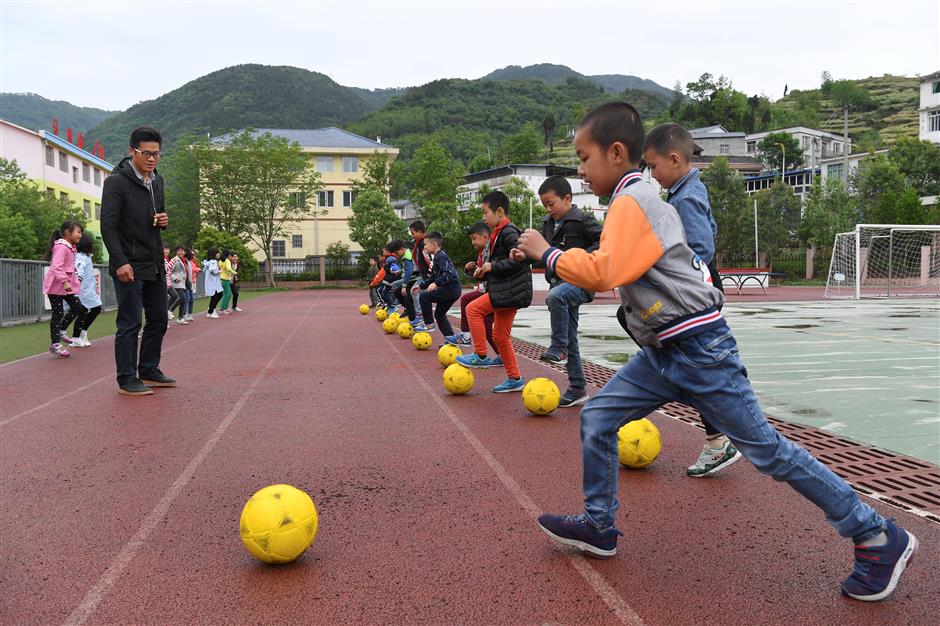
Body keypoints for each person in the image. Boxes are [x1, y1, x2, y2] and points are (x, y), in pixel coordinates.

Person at [514, 101, 917, 601]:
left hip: (700, 349)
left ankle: (876, 533)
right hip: (665, 350)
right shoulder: (635, 200)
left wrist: (545, 252)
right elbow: (616, 265)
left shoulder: (632, 200)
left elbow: (604, 272)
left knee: (767, 451)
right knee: (597, 417)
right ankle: (599, 526)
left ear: (616, 153)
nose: (579, 169)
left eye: (583, 156)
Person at [644, 122, 739, 477]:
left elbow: (701, 247)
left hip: (694, 297)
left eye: (653, 167)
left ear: (673, 159)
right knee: (695, 368)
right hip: (697, 292)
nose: (652, 175)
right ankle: (718, 438)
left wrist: (671, 278)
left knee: (695, 368)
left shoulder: (686, 197)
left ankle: (720, 440)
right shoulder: (686, 191)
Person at [100, 126, 175, 395]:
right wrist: (119, 261)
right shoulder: (116, 182)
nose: (152, 159)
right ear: (132, 152)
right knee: (131, 322)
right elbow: (107, 226)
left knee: (159, 319)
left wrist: (162, 221)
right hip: (128, 263)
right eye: (146, 153)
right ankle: (126, 379)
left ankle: (149, 369)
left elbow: (156, 217)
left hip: (153, 261)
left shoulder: (157, 181)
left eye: (157, 154)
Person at [534, 175, 602, 408]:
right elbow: (543, 250)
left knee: (556, 297)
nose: (548, 208)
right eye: (544, 204)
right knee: (571, 335)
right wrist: (525, 255)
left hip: (582, 281)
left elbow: (605, 241)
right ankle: (577, 387)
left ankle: (557, 347)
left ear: (567, 199)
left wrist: (582, 257)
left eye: (551, 203)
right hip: (559, 281)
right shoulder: (547, 223)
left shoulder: (583, 220)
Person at [456, 191, 532, 393]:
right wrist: (482, 270)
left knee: (473, 309)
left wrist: (492, 267)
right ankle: (515, 378)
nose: (483, 217)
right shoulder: (498, 234)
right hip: (507, 291)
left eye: (485, 212)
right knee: (499, 336)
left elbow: (518, 261)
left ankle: (480, 355)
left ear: (499, 212)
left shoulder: (509, 232)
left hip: (510, 292)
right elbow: (500, 265)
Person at [444, 222, 500, 365]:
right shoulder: (483, 252)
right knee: (487, 325)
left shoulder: (492, 249)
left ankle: (468, 339)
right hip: (490, 290)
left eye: (474, 238)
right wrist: (472, 269)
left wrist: (482, 269)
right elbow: (482, 273)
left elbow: (493, 269)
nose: (472, 242)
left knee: (468, 302)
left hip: (497, 292)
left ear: (485, 237)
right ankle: (501, 356)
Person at [42, 221, 83, 358]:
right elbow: (56, 266)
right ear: (67, 232)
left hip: (64, 287)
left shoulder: (70, 247)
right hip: (56, 286)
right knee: (58, 313)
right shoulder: (61, 247)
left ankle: (61, 330)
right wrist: (65, 282)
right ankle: (55, 344)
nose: (80, 235)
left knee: (77, 307)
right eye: (78, 232)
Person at [414, 231, 462, 336]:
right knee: (439, 314)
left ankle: (429, 324)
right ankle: (450, 339)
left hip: (451, 289)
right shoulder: (436, 257)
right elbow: (434, 277)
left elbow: (449, 273)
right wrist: (421, 286)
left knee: (424, 296)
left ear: (434, 245)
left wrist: (436, 284)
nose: (424, 247)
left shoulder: (441, 256)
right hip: (452, 290)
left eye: (426, 244)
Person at [69, 232, 103, 347]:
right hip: (81, 290)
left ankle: (82, 332)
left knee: (95, 308)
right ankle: (76, 337)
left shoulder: (85, 256)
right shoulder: (81, 256)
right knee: (84, 311)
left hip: (87, 290)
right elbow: (79, 269)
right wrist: (78, 279)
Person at [379, 241, 405, 311]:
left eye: (384, 251)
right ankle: (390, 305)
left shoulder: (391, 258)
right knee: (383, 291)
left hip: (390, 278)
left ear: (388, 251)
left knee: (384, 291)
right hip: (389, 277)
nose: (383, 252)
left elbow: (394, 268)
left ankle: (392, 306)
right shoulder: (388, 258)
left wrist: (393, 270)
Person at [169, 245, 189, 325]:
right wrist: (175, 278)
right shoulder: (174, 260)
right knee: (182, 298)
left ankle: (180, 318)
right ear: (176, 252)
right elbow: (169, 271)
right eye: (179, 251)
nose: (180, 252)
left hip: (182, 283)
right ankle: (170, 310)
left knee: (183, 300)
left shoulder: (183, 260)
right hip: (176, 283)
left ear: (184, 252)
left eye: (182, 251)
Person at [203, 248, 223, 318]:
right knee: (217, 295)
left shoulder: (207, 261)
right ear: (214, 254)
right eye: (217, 253)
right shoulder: (213, 261)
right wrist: (220, 271)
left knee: (217, 295)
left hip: (211, 281)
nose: (219, 254)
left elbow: (204, 270)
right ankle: (211, 311)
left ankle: (211, 309)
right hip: (213, 282)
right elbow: (213, 272)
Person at [163, 245, 180, 321]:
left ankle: (166, 311)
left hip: (168, 283)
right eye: (165, 249)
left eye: (168, 249)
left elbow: (169, 271)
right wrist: (173, 261)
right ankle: (164, 317)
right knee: (163, 300)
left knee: (175, 295)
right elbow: (165, 270)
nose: (167, 251)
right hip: (163, 283)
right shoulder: (161, 258)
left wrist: (174, 278)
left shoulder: (166, 259)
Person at [217, 249, 235, 315]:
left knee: (228, 294)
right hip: (225, 279)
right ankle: (222, 309)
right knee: (227, 294)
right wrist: (234, 272)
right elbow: (229, 269)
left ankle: (226, 307)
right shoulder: (227, 261)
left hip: (222, 279)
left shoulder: (220, 261)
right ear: (227, 255)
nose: (231, 256)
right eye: (230, 254)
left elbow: (219, 269)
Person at [184, 248, 199, 321]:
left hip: (190, 282)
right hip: (185, 282)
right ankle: (184, 314)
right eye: (192, 254)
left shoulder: (191, 262)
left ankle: (189, 314)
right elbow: (193, 269)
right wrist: (199, 269)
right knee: (187, 299)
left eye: (193, 254)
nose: (193, 255)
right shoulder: (185, 261)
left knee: (191, 299)